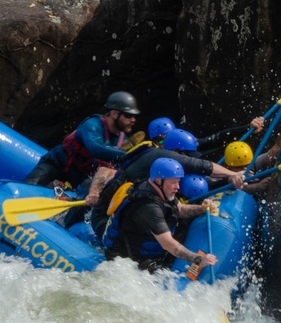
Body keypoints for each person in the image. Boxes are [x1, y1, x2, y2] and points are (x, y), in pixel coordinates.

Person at [89, 128, 246, 236]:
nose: (189, 158)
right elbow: (201, 166)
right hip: (106, 221)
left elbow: (203, 182)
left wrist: (230, 179)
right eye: (187, 155)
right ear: (176, 152)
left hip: (134, 216)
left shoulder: (167, 171)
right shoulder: (157, 158)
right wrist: (233, 174)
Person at [102, 158, 219, 273]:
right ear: (158, 180)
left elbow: (181, 209)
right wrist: (198, 259)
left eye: (178, 182)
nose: (177, 187)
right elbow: (168, 243)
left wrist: (202, 209)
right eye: (173, 182)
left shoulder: (160, 190)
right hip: (128, 261)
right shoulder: (149, 208)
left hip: (146, 249)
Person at [24, 91, 140, 190]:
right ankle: (50, 184)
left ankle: (56, 188)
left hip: (78, 178)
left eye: (134, 116)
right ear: (114, 113)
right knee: (28, 187)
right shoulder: (93, 125)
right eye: (128, 115)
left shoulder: (122, 140)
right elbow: (95, 149)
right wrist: (130, 154)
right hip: (56, 165)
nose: (133, 120)